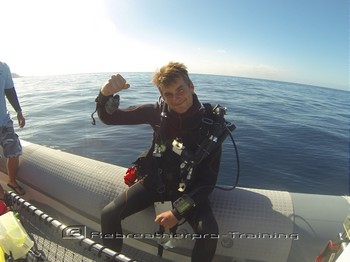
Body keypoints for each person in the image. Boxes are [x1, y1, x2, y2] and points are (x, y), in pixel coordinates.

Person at [96, 62, 226, 261]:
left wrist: (176, 211)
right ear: (162, 96)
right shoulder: (156, 113)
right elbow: (109, 117)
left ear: (191, 86)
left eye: (180, 90)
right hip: (156, 184)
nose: (176, 98)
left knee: (209, 233)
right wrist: (105, 95)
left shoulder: (212, 126)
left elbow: (207, 182)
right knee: (109, 214)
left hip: (190, 191)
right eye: (168, 94)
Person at [0, 61, 26, 196]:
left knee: (14, 151)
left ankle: (12, 181)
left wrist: (19, 111)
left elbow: (9, 90)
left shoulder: (3, 67)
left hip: (4, 122)